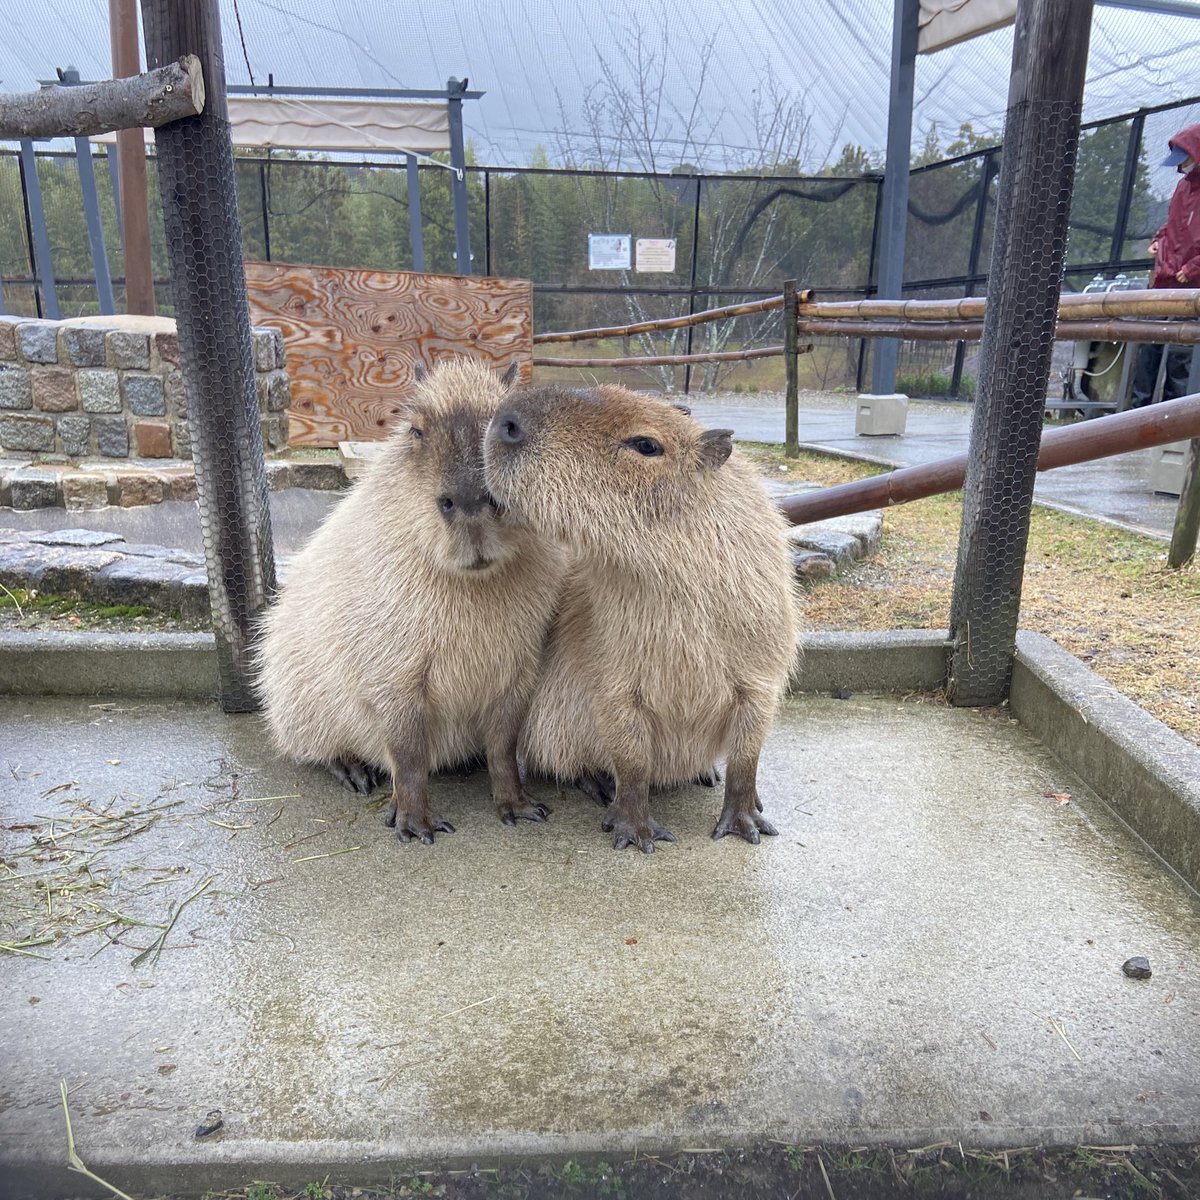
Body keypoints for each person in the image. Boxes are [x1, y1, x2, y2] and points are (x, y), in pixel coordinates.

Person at [1129, 124, 1200, 408]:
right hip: (1165, 279)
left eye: (1184, 158)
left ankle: (1173, 416)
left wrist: (1193, 268)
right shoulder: (1183, 187)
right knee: (1149, 346)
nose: (1180, 166)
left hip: (1192, 286)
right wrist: (1158, 239)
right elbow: (1173, 224)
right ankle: (1138, 412)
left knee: (1180, 354)